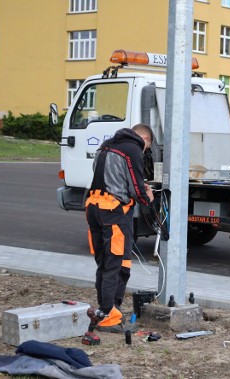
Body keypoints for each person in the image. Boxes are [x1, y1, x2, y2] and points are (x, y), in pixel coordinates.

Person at [85, 124, 154, 331]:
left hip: (94, 208)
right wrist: (147, 197)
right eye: (147, 147)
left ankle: (108, 309)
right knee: (115, 263)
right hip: (113, 211)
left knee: (106, 262)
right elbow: (136, 187)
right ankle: (108, 316)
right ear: (144, 139)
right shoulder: (132, 149)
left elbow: (101, 174)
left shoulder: (106, 145)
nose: (145, 151)